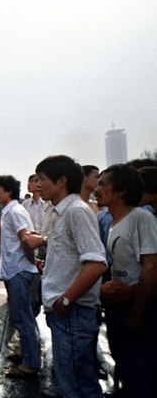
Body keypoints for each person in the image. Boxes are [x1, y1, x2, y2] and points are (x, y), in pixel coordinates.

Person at [33, 155, 107, 397]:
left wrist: (65, 300)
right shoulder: (61, 212)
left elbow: (96, 263)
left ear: (61, 180)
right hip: (66, 312)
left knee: (78, 386)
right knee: (70, 381)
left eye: (42, 179)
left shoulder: (76, 211)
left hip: (72, 313)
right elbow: (74, 258)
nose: (38, 184)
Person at [96, 164, 157, 398]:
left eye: (103, 184)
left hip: (140, 309)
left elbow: (151, 267)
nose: (97, 189)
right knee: (124, 363)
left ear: (120, 190)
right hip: (119, 306)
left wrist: (137, 311)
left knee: (141, 370)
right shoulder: (113, 223)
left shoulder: (141, 218)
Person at [0, 175, 40, 377]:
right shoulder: (10, 210)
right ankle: (28, 355)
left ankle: (31, 363)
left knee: (23, 318)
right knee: (22, 316)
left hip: (19, 271)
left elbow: (26, 240)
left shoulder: (15, 211)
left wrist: (31, 261)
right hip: (16, 269)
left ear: (9, 192)